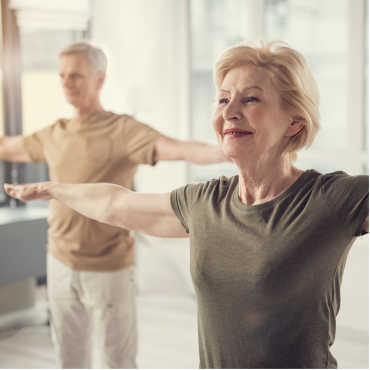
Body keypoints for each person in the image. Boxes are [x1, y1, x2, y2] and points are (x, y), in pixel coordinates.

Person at [5, 39, 369, 369]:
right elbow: (116, 203)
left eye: (251, 98)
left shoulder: (329, 200)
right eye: (223, 99)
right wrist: (55, 189)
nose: (229, 111)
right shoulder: (206, 202)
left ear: (294, 121)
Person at [0, 41, 230, 369]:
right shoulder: (55, 133)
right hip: (60, 262)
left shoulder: (122, 129)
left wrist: (230, 148)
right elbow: (8, 147)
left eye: (76, 76)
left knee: (117, 361)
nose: (67, 83)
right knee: (68, 357)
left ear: (99, 79)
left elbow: (179, 148)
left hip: (108, 268)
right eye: (62, 75)